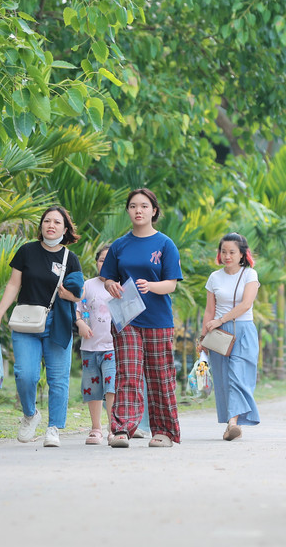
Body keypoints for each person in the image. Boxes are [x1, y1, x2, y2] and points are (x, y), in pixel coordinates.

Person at [0, 206, 83, 447]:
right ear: (41, 226)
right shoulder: (27, 251)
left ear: (65, 228)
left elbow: (78, 296)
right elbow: (12, 285)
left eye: (57, 222)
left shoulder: (70, 259)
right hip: (26, 322)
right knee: (25, 375)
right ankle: (30, 414)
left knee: (58, 379)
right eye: (47, 221)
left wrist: (69, 295)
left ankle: (53, 428)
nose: (51, 225)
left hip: (57, 323)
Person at [100, 189, 183, 448]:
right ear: (128, 210)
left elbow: (171, 284)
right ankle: (122, 430)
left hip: (158, 319)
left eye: (144, 206)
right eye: (133, 206)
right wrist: (111, 285)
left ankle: (164, 432)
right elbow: (107, 278)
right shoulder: (119, 245)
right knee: (128, 373)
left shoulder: (165, 244)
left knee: (160, 375)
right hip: (127, 319)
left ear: (154, 211)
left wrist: (152, 286)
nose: (139, 210)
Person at [201, 233, 261, 441]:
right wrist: (203, 339)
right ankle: (231, 423)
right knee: (224, 379)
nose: (227, 256)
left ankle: (233, 423)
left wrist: (221, 319)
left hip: (243, 330)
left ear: (242, 253)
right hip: (218, 335)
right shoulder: (214, 277)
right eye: (223, 252)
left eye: (232, 252)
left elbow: (246, 305)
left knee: (238, 376)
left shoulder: (249, 275)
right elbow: (209, 310)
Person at [76, 244, 116, 445]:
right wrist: (80, 322)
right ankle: (96, 428)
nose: (105, 264)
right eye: (102, 260)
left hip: (113, 348)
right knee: (93, 389)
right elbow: (77, 307)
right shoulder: (88, 285)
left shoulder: (122, 284)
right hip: (89, 348)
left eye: (110, 260)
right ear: (97, 263)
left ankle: (113, 427)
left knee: (111, 388)